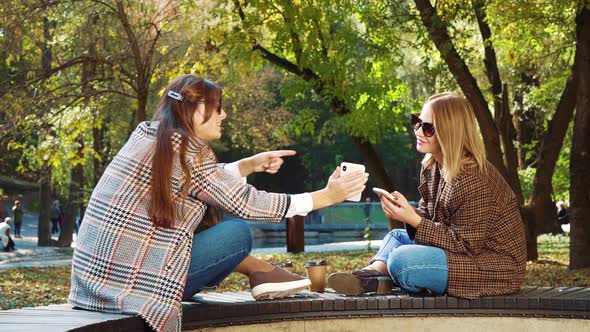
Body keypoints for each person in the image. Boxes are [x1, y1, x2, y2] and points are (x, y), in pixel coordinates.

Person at [68, 75, 368, 332]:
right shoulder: (188, 152)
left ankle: (261, 272)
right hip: (138, 289)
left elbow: (194, 181)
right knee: (237, 234)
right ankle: (261, 271)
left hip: (93, 286)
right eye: (218, 108)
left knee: (211, 233)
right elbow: (250, 204)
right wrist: (327, 197)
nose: (223, 115)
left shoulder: (149, 136)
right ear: (197, 110)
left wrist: (246, 166)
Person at [328, 92, 527, 299]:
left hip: (492, 266)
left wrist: (412, 219)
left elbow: (465, 245)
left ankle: (378, 280)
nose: (418, 131)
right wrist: (405, 212)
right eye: (417, 122)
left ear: (450, 132)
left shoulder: (473, 177)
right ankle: (369, 278)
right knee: (396, 237)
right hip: (460, 253)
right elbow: (431, 219)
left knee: (402, 260)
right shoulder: (432, 166)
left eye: (428, 127)